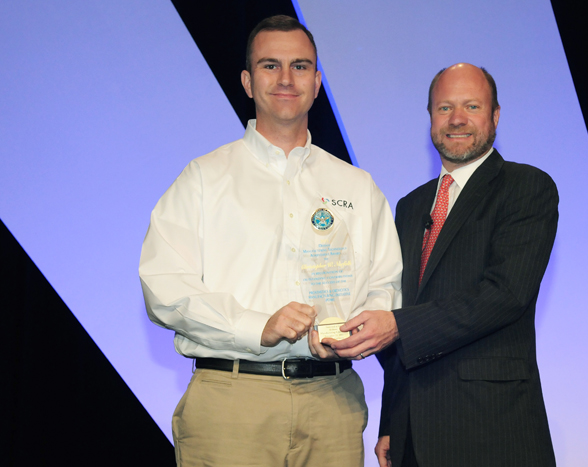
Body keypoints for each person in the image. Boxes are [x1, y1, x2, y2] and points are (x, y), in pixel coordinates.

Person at [139, 15, 402, 467]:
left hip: (332, 405)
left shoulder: (358, 187)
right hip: (232, 403)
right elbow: (165, 287)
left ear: (317, 82)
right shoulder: (203, 179)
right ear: (247, 80)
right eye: (269, 65)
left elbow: (385, 287)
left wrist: (349, 334)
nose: (285, 78)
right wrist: (255, 325)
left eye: (300, 66)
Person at [331, 63, 558, 466]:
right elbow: (400, 308)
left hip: (493, 430)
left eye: (471, 106)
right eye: (444, 108)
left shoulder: (527, 188)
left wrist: (398, 324)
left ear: (495, 116)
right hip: (415, 436)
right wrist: (392, 420)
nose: (456, 119)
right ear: (431, 118)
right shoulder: (411, 206)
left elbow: (505, 295)